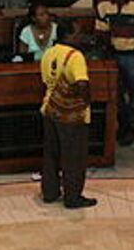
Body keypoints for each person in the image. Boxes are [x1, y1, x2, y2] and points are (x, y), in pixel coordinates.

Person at [39, 27, 97, 209]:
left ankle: (50, 192)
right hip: (70, 116)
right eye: (77, 32)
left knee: (51, 154)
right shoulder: (75, 56)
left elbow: (45, 80)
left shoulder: (48, 52)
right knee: (73, 157)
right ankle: (73, 197)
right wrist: (86, 102)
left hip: (49, 109)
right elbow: (81, 83)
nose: (80, 36)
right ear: (68, 35)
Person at [95, 0, 134, 146]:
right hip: (114, 54)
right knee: (116, 94)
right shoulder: (103, 5)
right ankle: (123, 125)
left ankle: (131, 127)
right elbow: (101, 32)